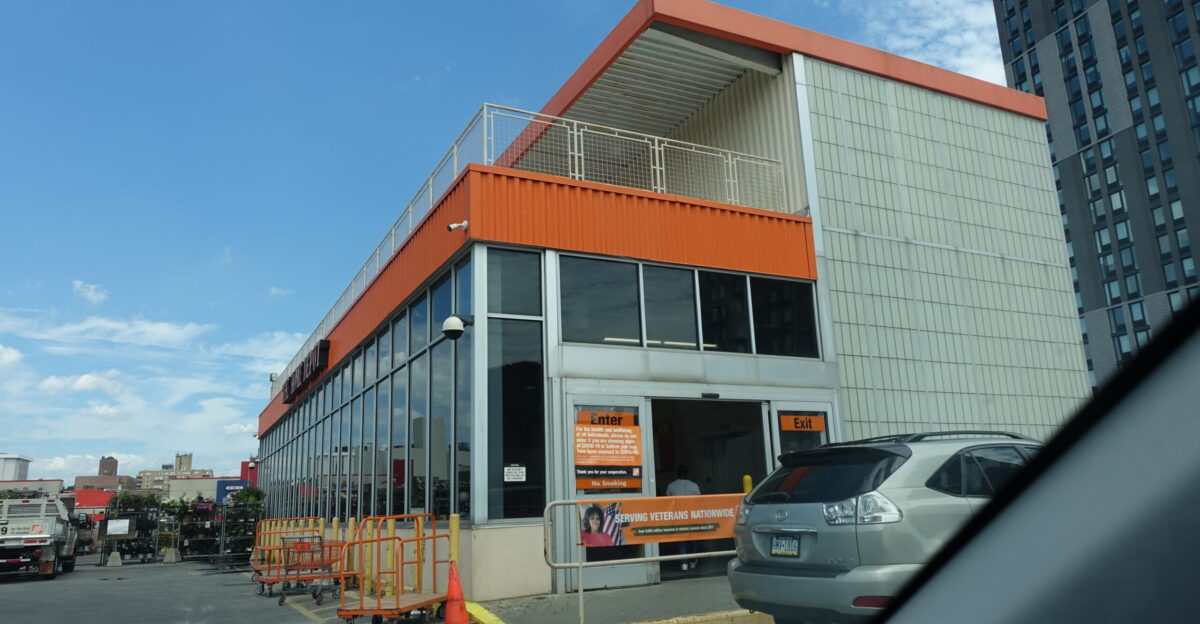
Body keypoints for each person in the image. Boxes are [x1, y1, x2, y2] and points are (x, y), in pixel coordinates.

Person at [666, 466, 701, 570]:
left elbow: (667, 503)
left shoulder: (671, 486)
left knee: (681, 541)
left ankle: (684, 563)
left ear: (678, 473)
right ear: (687, 473)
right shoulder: (694, 486)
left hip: (679, 516)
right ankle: (693, 561)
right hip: (692, 516)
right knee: (693, 540)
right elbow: (699, 502)